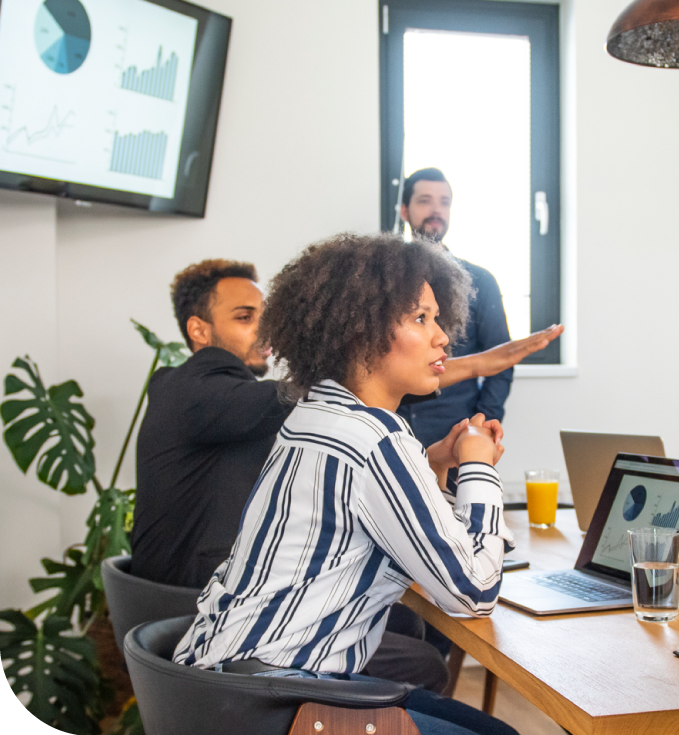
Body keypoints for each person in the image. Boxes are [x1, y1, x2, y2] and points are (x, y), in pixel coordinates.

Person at [131, 258, 559, 690]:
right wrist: (479, 465)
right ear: (360, 331)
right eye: (420, 318)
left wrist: (432, 464)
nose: (443, 337)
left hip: (221, 662)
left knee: (412, 641)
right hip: (268, 686)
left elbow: (368, 492)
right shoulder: (209, 393)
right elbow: (474, 591)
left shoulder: (315, 415)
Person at [398, 168, 519, 448]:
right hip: (394, 430)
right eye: (425, 200)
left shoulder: (479, 281)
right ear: (405, 210)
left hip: (456, 433)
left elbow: (500, 363)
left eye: (444, 202)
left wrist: (481, 427)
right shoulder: (383, 282)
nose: (436, 210)